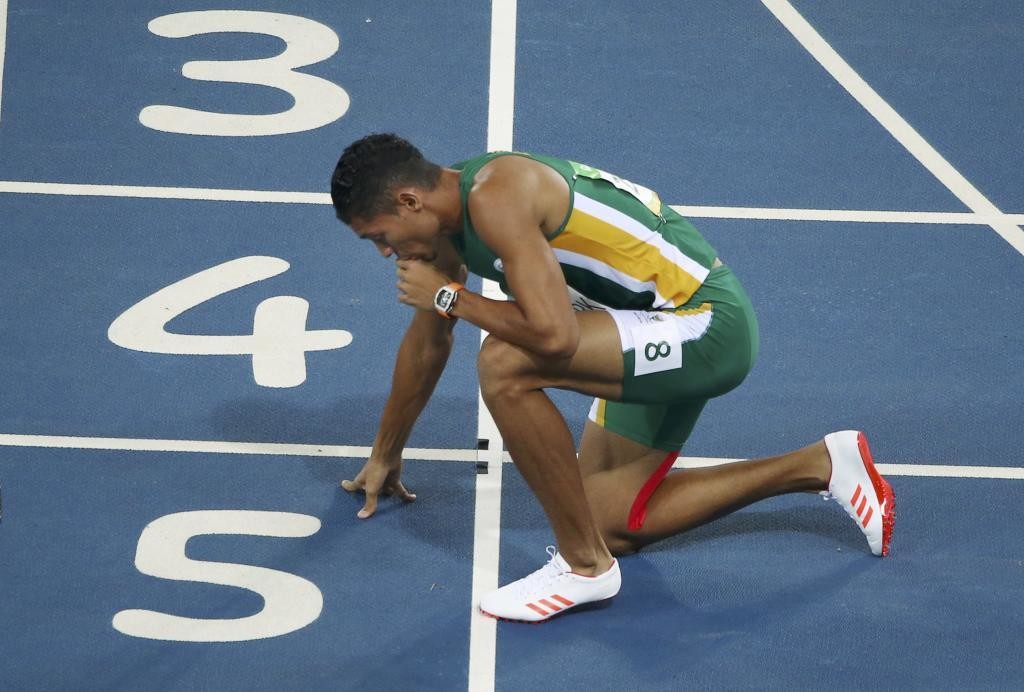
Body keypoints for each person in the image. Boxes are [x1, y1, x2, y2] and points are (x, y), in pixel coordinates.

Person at [330, 133, 895, 623]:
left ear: (410, 201)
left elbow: (554, 338)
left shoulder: (496, 197)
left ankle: (584, 568)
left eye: (379, 235)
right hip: (640, 325)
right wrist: (387, 451)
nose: (383, 252)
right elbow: (428, 342)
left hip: (706, 326)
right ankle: (820, 464)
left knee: (504, 364)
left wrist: (452, 297)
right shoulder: (446, 221)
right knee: (607, 519)